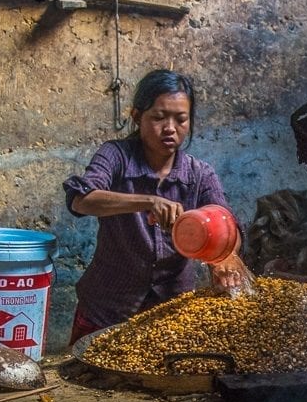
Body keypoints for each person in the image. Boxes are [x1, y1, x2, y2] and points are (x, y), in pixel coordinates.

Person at [63, 69, 244, 345]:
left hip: (170, 313)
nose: (170, 128)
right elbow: (82, 199)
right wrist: (148, 201)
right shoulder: (116, 156)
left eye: (181, 119)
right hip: (106, 309)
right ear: (137, 117)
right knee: (88, 380)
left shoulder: (199, 175)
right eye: (159, 118)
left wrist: (224, 256)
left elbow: (226, 223)